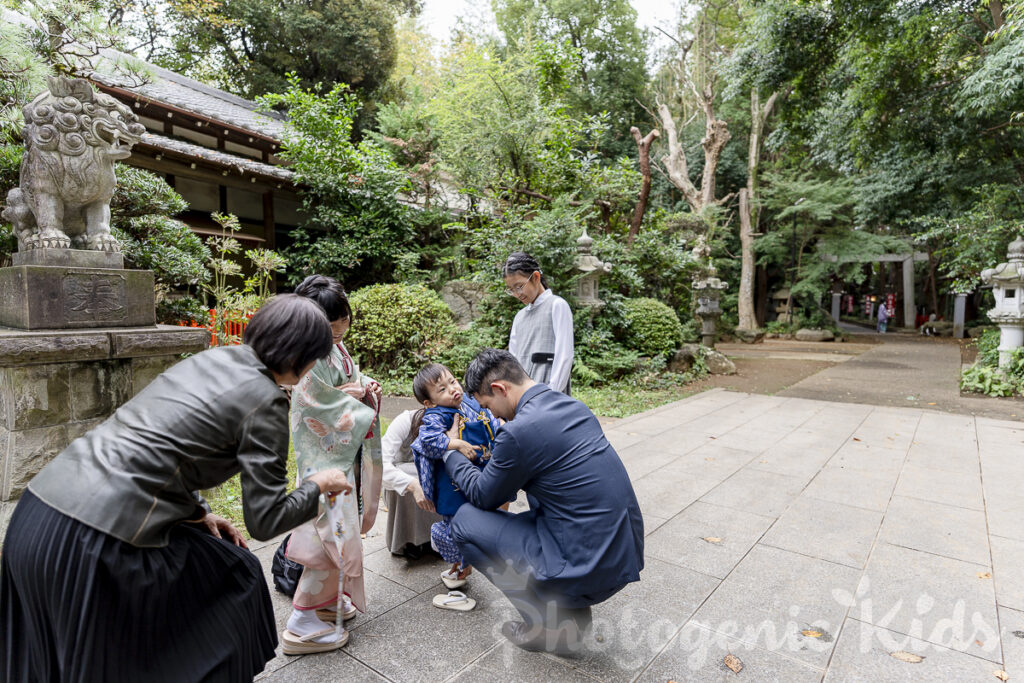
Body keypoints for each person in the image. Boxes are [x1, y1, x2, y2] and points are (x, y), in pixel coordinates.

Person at [0, 295, 351, 681]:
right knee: (237, 577)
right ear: (300, 353)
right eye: (317, 355)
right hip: (93, 541)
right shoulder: (265, 400)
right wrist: (319, 484)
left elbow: (161, 446)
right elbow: (265, 521)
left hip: (35, 518)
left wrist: (199, 513)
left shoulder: (212, 360)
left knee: (51, 663)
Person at [442, 349, 644, 654]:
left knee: (465, 523)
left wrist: (450, 452)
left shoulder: (518, 432)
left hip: (587, 563)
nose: (492, 415)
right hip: (620, 552)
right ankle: (569, 609)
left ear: (500, 389)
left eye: (488, 406)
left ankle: (547, 627)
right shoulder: (571, 405)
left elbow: (484, 495)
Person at [284, 274, 383, 654]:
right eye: (331, 322)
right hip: (323, 462)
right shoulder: (308, 356)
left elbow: (349, 382)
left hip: (343, 457)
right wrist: (351, 396)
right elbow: (309, 405)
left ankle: (325, 603)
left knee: (342, 533)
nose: (340, 327)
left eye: (343, 318)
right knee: (324, 536)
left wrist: (364, 386)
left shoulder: (338, 351)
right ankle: (302, 617)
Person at [410, 363, 501, 601]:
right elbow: (428, 440)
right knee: (455, 528)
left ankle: (466, 563)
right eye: (442, 389)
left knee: (476, 525)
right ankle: (463, 563)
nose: (452, 389)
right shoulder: (436, 416)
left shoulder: (469, 403)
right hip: (454, 486)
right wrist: (455, 443)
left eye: (452, 381)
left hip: (479, 476)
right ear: (428, 402)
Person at [504, 252, 574, 394]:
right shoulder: (519, 317)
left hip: (550, 392)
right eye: (511, 290)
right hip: (525, 395)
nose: (517, 294)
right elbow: (514, 361)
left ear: (536, 277)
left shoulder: (557, 305)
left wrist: (551, 394)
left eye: (519, 286)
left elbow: (564, 356)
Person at [381, 409, 442, 558]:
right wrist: (412, 484)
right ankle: (408, 540)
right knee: (408, 475)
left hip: (434, 473)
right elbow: (380, 465)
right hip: (400, 481)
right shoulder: (404, 421)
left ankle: (440, 537)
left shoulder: (453, 422)